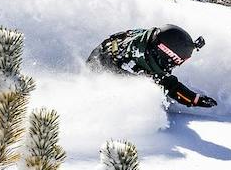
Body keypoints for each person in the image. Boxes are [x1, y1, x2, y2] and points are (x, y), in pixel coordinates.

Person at [87, 24, 218, 108]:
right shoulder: (147, 64)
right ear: (166, 53)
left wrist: (192, 45)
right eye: (176, 61)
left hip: (108, 49)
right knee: (149, 96)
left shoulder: (151, 37)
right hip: (102, 71)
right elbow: (171, 86)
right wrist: (195, 99)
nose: (175, 65)